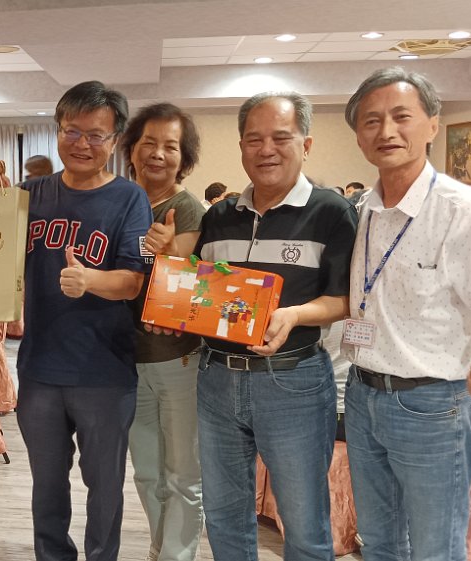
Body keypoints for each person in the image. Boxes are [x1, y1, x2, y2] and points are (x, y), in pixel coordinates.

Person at [145, 91, 357, 561]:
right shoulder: (221, 215)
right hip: (216, 378)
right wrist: (173, 303)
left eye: (281, 138)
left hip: (293, 381)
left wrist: (294, 315)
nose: (266, 150)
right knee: (224, 515)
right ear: (241, 146)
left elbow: (344, 298)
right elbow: (201, 291)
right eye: (254, 139)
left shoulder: (331, 211)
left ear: (306, 145)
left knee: (303, 521)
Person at [341, 66, 471, 561]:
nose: (386, 131)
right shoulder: (362, 209)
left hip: (432, 405)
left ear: (433, 125)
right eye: (371, 121)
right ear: (359, 137)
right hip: (362, 395)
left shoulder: (464, 210)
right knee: (379, 542)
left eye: (401, 116)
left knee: (437, 548)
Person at [17, 81, 151, 561]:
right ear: (57, 131)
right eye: (71, 131)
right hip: (39, 369)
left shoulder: (129, 198)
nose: (82, 144)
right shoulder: (28, 194)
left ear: (114, 141)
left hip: (104, 371)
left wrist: (90, 280)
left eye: (96, 135)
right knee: (46, 484)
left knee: (105, 484)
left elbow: (133, 281)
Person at [119, 102, 205, 561]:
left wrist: (167, 252)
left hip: (177, 358)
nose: (157, 154)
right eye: (148, 143)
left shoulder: (185, 208)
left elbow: (180, 286)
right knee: (146, 472)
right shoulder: (120, 200)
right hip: (126, 358)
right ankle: (160, 548)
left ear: (183, 157)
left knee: (183, 474)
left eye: (170, 146)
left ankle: (176, 555)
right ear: (131, 149)